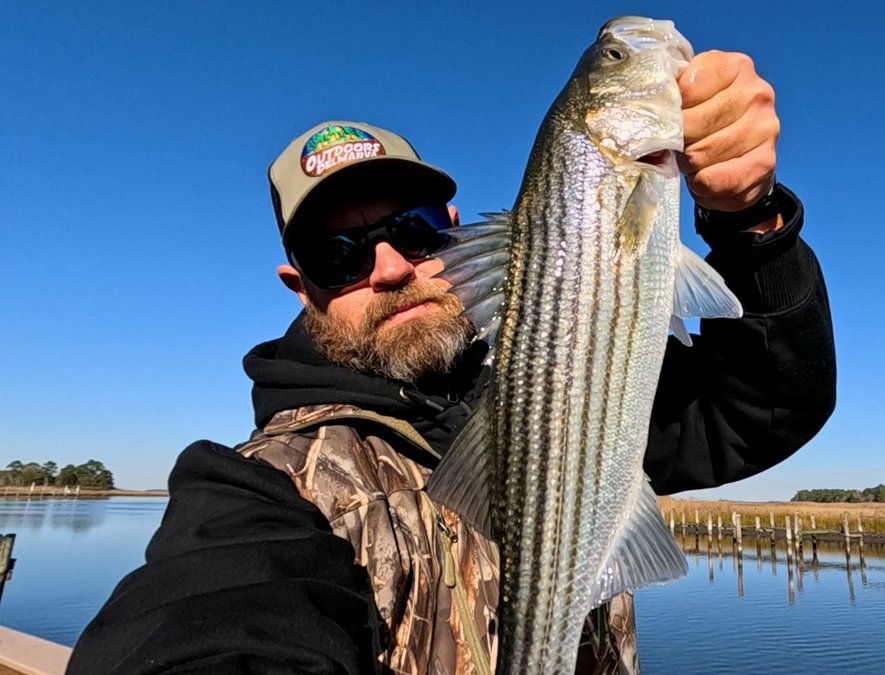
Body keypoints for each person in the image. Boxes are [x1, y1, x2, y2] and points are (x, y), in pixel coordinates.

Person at [68, 50, 836, 674]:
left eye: (416, 227)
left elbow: (765, 406)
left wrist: (750, 224)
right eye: (338, 254)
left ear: (456, 232)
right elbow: (211, 623)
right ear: (300, 287)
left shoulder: (557, 386)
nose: (390, 266)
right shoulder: (257, 488)